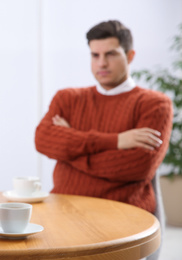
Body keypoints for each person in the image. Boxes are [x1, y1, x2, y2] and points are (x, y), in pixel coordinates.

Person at [35, 20, 173, 214]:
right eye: (95, 55)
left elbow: (138, 167)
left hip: (124, 215)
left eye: (111, 54)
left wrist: (70, 149)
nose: (102, 63)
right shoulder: (67, 98)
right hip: (63, 209)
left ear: (130, 56)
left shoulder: (155, 104)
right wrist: (117, 141)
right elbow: (42, 140)